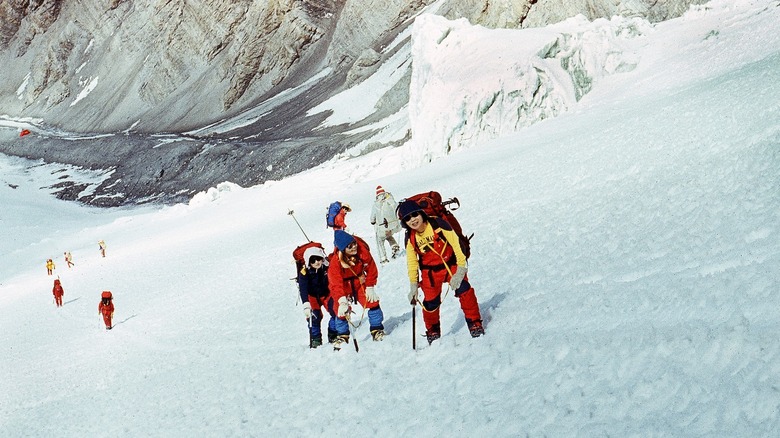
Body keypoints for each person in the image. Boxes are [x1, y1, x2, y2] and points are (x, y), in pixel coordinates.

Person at [398, 199, 484, 344]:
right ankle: (433, 331)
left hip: (451, 266)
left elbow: (456, 244)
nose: (412, 220)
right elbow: (412, 262)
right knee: (430, 303)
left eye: (414, 215)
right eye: (407, 219)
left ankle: (475, 322)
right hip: (430, 273)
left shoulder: (438, 224)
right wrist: (413, 285)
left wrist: (461, 269)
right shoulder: (410, 237)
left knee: (465, 291)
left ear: (421, 213)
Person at [327, 230, 385, 350]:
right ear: (343, 249)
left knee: (372, 302)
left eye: (354, 243)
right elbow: (335, 283)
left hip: (359, 281)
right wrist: (342, 300)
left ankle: (377, 329)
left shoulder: (362, 251)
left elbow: (371, 268)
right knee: (340, 310)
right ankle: (343, 335)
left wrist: (370, 286)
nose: (354, 247)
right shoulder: (335, 262)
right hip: (343, 285)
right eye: (349, 246)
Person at [297, 245, 338, 348]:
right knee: (314, 317)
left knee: (336, 312)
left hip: (326, 294)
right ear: (308, 261)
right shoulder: (304, 272)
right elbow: (303, 288)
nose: (316, 262)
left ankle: (333, 333)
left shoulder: (327, 267)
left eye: (318, 258)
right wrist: (306, 304)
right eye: (313, 260)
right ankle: (316, 338)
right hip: (312, 297)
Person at [370, 185, 401, 263]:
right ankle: (394, 247)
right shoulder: (391, 200)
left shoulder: (376, 204)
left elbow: (372, 217)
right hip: (394, 226)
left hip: (382, 227)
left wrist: (372, 221)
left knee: (380, 240)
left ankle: (383, 258)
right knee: (389, 235)